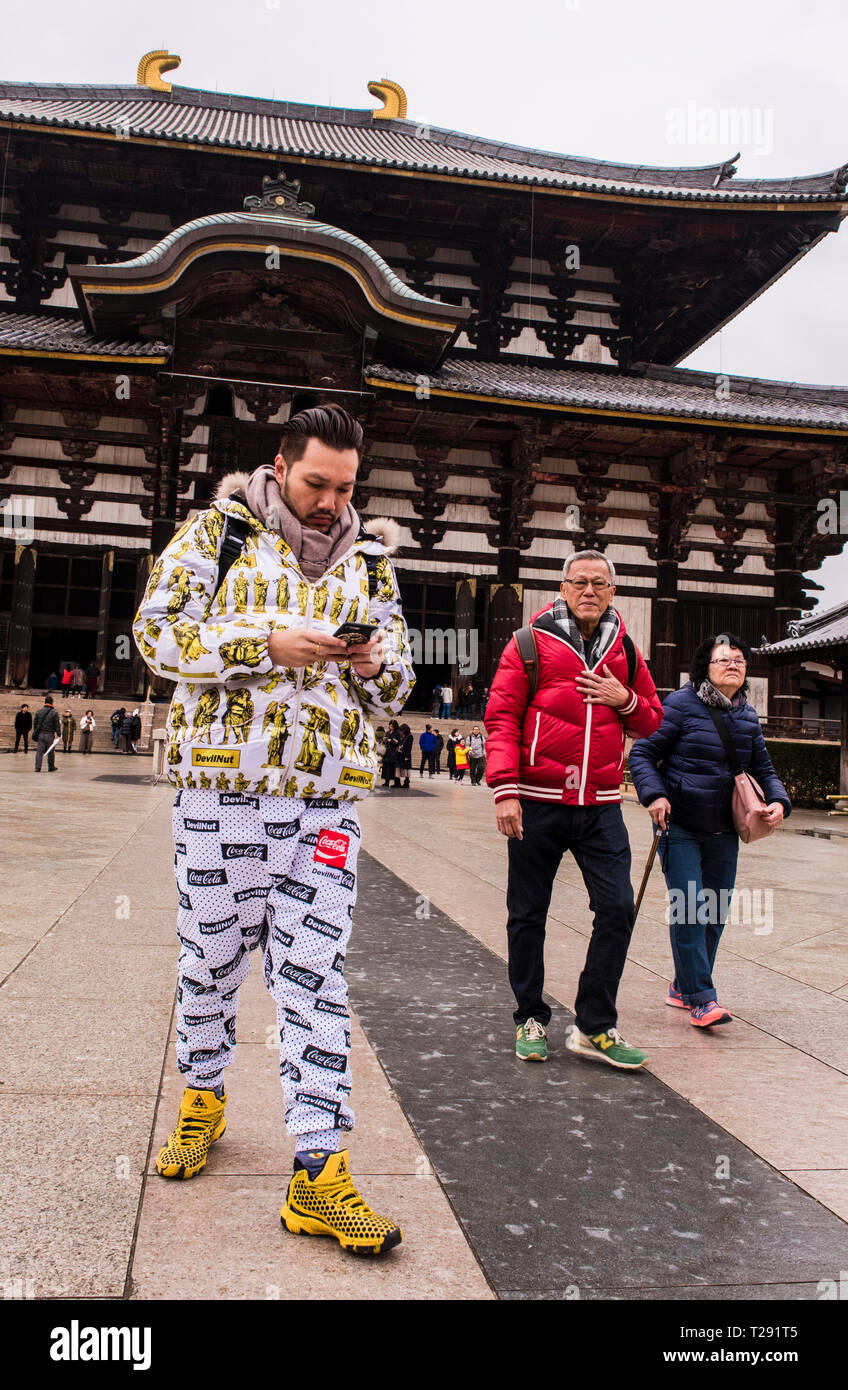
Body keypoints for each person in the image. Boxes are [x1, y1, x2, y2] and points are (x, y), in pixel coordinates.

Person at [133, 402, 414, 1255]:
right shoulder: (213, 535)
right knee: (211, 958)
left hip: (327, 804)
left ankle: (320, 1173)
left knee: (315, 975)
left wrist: (374, 663)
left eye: (346, 488)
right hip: (222, 795)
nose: (331, 502)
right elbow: (153, 635)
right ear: (282, 465)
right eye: (317, 483)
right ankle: (201, 1100)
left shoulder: (372, 560)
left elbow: (398, 684)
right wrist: (266, 644)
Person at [485, 548, 663, 1068]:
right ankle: (531, 1018)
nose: (590, 590)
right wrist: (505, 789)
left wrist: (622, 699)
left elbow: (651, 721)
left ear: (612, 593)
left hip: (601, 805)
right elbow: (501, 718)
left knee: (616, 909)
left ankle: (595, 1024)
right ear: (562, 588)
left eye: (600, 584)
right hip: (537, 802)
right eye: (580, 582)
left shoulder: (625, 650)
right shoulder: (527, 643)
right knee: (528, 913)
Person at [629, 633, 791, 1027]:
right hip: (680, 825)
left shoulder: (747, 716)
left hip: (724, 831)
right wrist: (654, 796)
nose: (733, 665)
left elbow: (764, 769)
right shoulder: (681, 705)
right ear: (705, 668)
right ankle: (702, 998)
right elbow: (643, 752)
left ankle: (683, 986)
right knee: (689, 912)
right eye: (724, 660)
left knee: (714, 914)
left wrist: (779, 801)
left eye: (739, 660)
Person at [33, 695, 61, 772]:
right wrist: (59, 734)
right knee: (51, 751)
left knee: (39, 751)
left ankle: (37, 767)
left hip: (41, 734)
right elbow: (57, 724)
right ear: (52, 702)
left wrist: (36, 731)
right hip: (50, 734)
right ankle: (51, 766)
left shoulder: (39, 711)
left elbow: (35, 723)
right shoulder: (54, 712)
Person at [381, 719, 401, 787]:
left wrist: (391, 741)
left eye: (392, 726)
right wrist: (384, 740)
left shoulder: (398, 733)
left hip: (393, 752)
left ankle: (395, 782)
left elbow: (398, 743)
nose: (391, 727)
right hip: (386, 752)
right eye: (390, 726)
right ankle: (386, 782)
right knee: (385, 767)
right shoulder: (387, 732)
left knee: (391, 768)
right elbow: (384, 742)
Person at [396, 723, 413, 788]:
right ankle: (402, 782)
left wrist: (407, 756)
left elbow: (409, 747)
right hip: (401, 754)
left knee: (406, 769)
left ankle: (406, 783)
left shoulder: (409, 736)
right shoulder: (403, 736)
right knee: (402, 769)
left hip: (406, 754)